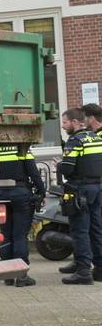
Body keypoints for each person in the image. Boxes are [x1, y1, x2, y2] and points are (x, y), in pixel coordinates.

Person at [57, 108, 102, 284]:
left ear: (76, 122)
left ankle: (83, 271)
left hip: (80, 190)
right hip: (97, 188)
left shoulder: (74, 141)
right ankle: (99, 268)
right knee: (97, 229)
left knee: (80, 231)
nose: (63, 125)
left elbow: (67, 169)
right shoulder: (96, 138)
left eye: (65, 122)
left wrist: (59, 165)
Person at [0, 142, 45, 285]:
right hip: (20, 195)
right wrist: (41, 192)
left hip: (0, 195)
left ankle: (8, 276)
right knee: (20, 236)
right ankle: (21, 276)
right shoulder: (22, 150)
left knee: (6, 235)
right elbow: (34, 173)